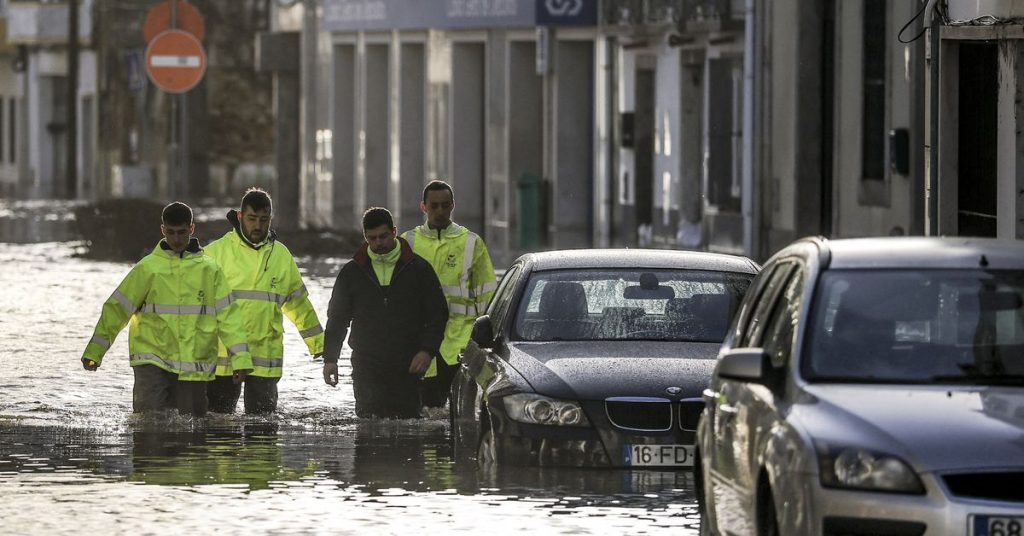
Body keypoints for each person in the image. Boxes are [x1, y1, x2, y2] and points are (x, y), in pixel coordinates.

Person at [81, 202, 253, 417]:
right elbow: (116, 309)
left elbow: (229, 318)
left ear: (192, 229)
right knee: (149, 427)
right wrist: (95, 352)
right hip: (152, 361)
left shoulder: (210, 270)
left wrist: (241, 359)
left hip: (194, 364)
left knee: (194, 434)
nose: (177, 239)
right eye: (171, 232)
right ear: (163, 230)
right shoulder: (148, 268)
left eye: (182, 232)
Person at [204, 188, 324, 414]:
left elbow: (298, 304)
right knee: (218, 434)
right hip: (223, 357)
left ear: (271, 219)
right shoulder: (215, 253)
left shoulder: (281, 256)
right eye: (251, 219)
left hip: (265, 358)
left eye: (264, 220)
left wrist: (318, 343)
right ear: (240, 217)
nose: (258, 226)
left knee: (263, 433)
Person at [322, 207, 448, 418]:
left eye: (383, 236)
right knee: (368, 427)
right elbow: (337, 320)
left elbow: (438, 314)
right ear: (365, 237)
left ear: (394, 232)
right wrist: (330, 359)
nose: (378, 243)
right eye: (372, 238)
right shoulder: (352, 273)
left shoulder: (419, 269)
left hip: (408, 365)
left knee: (408, 430)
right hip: (366, 364)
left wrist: (427, 350)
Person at [401, 180, 497, 408]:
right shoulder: (407, 242)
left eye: (445, 205)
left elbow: (487, 297)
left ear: (453, 205)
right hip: (420, 342)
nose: (440, 211)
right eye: (434, 206)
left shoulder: (471, 243)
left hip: (460, 341)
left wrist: (489, 341)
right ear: (423, 207)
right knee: (424, 409)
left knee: (460, 412)